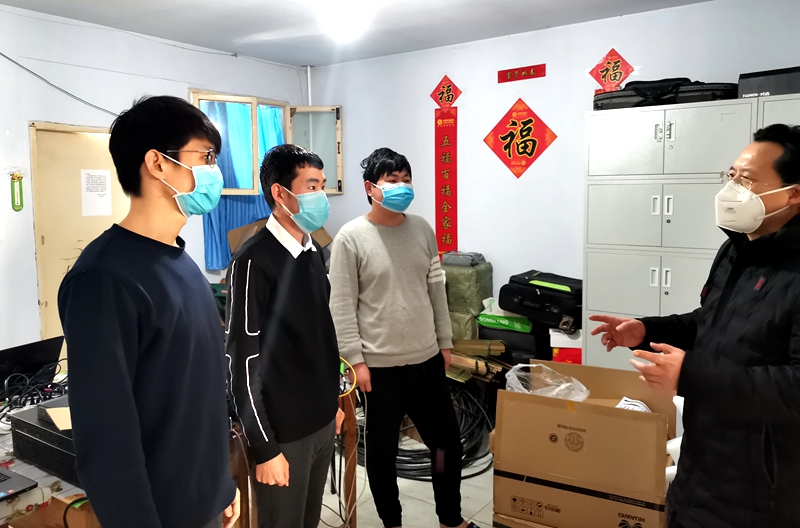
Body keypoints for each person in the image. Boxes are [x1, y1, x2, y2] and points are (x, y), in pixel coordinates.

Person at [590, 124, 800, 528]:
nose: (733, 189)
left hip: (764, 489)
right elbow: (712, 321)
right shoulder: (737, 249)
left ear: (793, 194)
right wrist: (646, 330)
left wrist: (692, 375)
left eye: (748, 180)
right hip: (704, 462)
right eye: (731, 176)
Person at [58, 96, 239, 528]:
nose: (214, 171)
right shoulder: (103, 280)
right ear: (157, 163)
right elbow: (106, 439)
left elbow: (198, 392)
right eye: (205, 157)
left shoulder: (181, 262)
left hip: (203, 500)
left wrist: (219, 485)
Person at [329, 147, 478, 528]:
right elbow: (341, 305)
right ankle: (392, 522)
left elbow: (436, 290)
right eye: (392, 180)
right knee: (382, 453)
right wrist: (355, 361)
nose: (402, 187)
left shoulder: (422, 229)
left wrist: (444, 343)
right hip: (379, 369)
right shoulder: (351, 238)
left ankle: (450, 518)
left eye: (406, 180)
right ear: (370, 188)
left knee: (445, 445)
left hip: (427, 362)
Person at [225, 144, 343, 528]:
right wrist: (264, 448)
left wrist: (333, 404)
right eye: (311, 186)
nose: (321, 196)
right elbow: (242, 361)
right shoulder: (252, 261)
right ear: (280, 192)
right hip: (284, 435)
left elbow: (321, 336)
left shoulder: (313, 251)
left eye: (322, 185)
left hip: (322, 423)